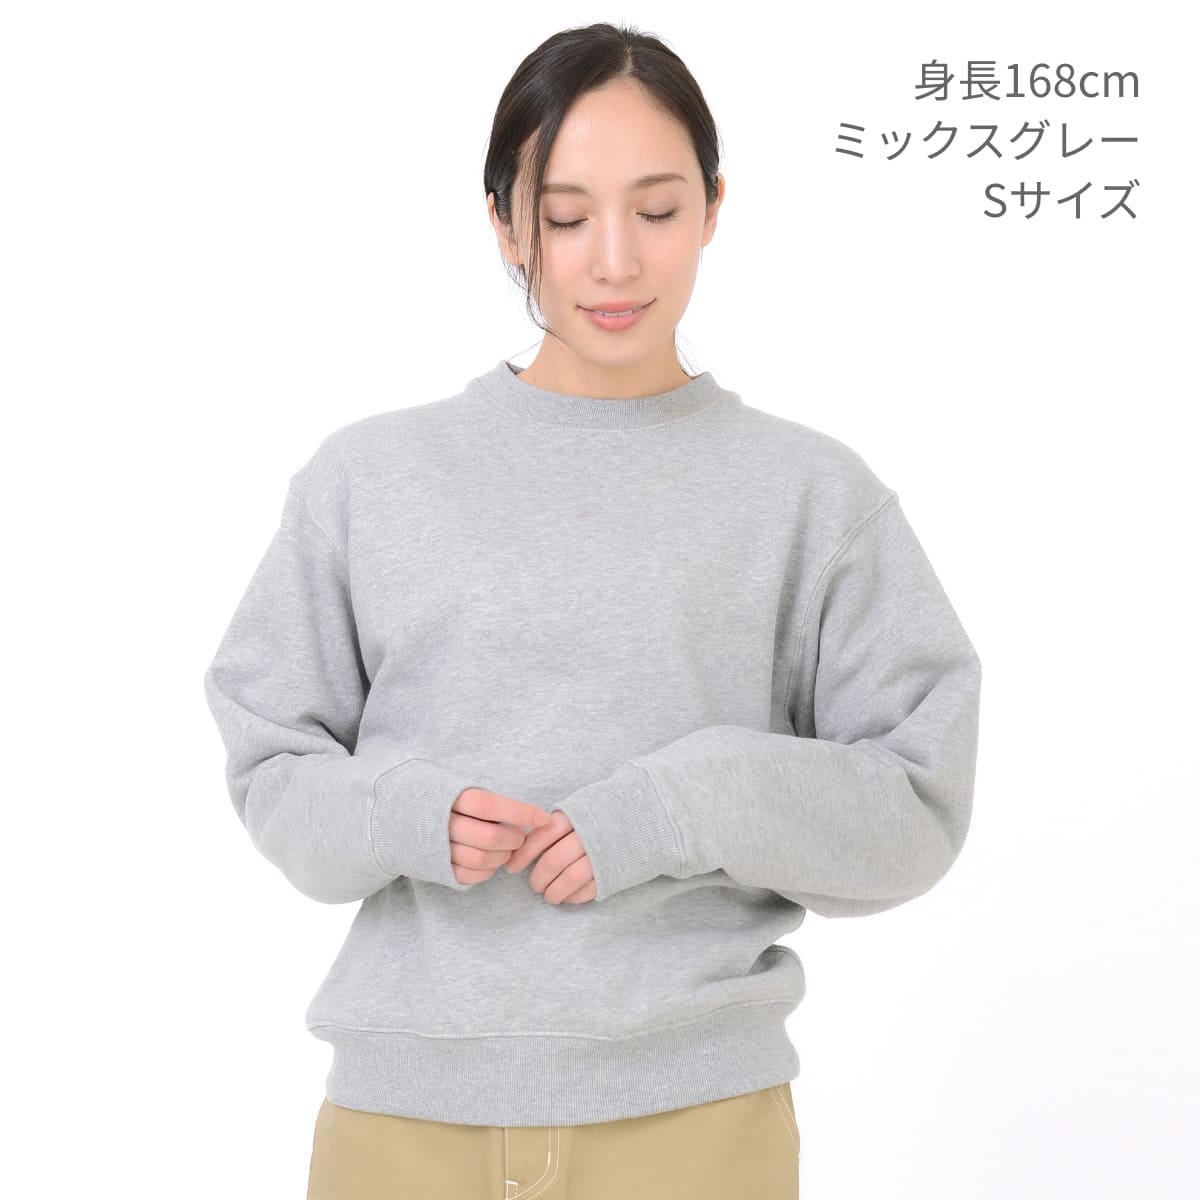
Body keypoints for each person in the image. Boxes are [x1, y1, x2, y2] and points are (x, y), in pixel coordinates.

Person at [202, 21, 982, 1200]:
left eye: (657, 210)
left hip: (696, 1128)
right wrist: (407, 814)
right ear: (503, 223)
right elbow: (271, 763)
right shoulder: (369, 480)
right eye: (565, 219)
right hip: (401, 1129)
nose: (615, 261)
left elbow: (917, 804)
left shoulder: (812, 496)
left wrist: (684, 802)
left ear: (714, 208)